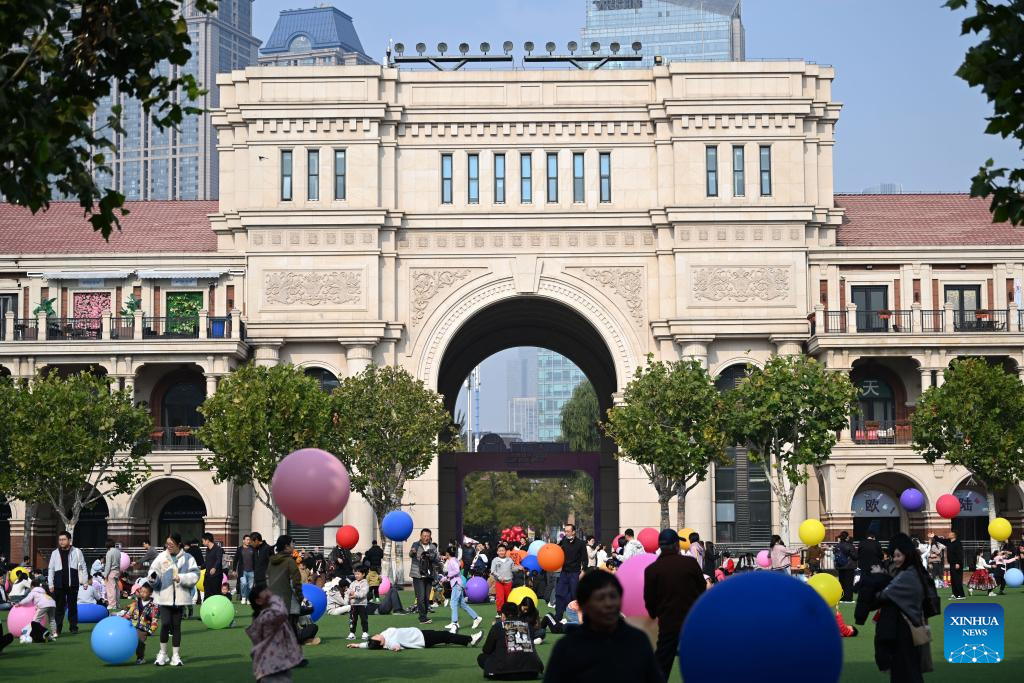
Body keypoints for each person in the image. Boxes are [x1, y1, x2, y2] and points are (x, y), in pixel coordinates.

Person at [543, 570, 663, 682]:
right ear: (584, 604)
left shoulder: (638, 641)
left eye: (613, 596)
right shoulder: (567, 648)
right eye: (600, 598)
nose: (608, 604)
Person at [860, 534, 934, 683]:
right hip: (908, 627)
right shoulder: (913, 571)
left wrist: (877, 578)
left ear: (907, 554)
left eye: (898, 555)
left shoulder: (909, 575)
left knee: (906, 671)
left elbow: (884, 595)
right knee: (906, 671)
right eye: (894, 555)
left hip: (905, 629)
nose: (895, 559)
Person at [643, 529, 705, 679]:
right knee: (699, 661)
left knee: (662, 664)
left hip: (668, 621)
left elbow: (649, 598)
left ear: (660, 546)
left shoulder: (652, 570)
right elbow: (702, 587)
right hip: (692, 620)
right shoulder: (689, 563)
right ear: (677, 545)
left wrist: (654, 613)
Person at [148, 532, 201, 666]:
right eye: (167, 544)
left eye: (171, 544)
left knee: (177, 626)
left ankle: (176, 656)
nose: (168, 546)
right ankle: (163, 654)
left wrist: (181, 578)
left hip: (180, 598)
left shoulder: (188, 558)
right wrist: (152, 578)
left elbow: (196, 574)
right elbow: (153, 571)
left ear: (178, 544)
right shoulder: (161, 556)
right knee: (165, 624)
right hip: (163, 597)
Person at [247, 584, 304, 682]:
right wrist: (275, 598)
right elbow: (282, 613)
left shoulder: (266, 614)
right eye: (266, 595)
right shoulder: (266, 617)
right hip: (270, 666)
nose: (270, 594)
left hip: (278, 662)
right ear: (258, 601)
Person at [478, 602, 545, 680]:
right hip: (531, 672)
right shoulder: (528, 626)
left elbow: (486, 650)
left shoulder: (498, 626)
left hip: (502, 673)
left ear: (503, 615)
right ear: (518, 614)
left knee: (481, 657)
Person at [47, 530, 88, 636]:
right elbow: (51, 569)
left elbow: (83, 567)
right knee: (59, 608)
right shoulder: (54, 553)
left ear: (69, 540)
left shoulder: (77, 551)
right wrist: (50, 584)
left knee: (72, 606)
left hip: (73, 584)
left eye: (64, 539)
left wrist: (85, 581)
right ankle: (58, 629)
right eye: (60, 540)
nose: (61, 542)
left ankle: (73, 627)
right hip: (58, 584)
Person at [267, 535, 304, 634]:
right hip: (287, 600)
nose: (294, 546)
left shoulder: (271, 561)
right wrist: (300, 597)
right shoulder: (289, 561)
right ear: (286, 546)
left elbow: (267, 579)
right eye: (292, 544)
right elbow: (296, 582)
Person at [441, 546, 482, 633]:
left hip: (457, 584)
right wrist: (446, 578)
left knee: (453, 603)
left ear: (447, 553)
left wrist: (447, 576)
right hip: (458, 583)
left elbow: (456, 571)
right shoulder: (454, 559)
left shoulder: (451, 561)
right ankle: (476, 618)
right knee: (462, 604)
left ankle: (454, 623)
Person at [348, 625, 483, 651]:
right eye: (376, 637)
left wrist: (357, 645)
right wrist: (395, 648)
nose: (375, 634)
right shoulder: (388, 642)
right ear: (380, 642)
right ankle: (470, 639)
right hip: (422, 639)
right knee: (445, 636)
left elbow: (369, 644)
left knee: (444, 636)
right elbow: (395, 646)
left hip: (420, 633)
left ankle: (468, 640)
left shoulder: (383, 635)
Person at [119, 582, 160, 664]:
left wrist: (151, 629)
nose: (142, 594)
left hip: (143, 628)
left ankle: (140, 658)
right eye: (141, 591)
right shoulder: (136, 602)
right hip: (132, 624)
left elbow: (155, 619)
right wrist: (124, 617)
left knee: (140, 642)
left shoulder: (154, 606)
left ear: (150, 593)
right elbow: (130, 611)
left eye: (145, 592)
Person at [553, 523, 586, 621]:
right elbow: (555, 550)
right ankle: (558, 617)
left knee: (574, 595)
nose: (566, 533)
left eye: (568, 531)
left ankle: (576, 618)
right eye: (565, 531)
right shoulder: (563, 541)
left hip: (575, 573)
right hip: (564, 573)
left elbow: (585, 559)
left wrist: (583, 571)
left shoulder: (581, 543)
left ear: (573, 532)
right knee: (559, 593)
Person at [409, 528, 440, 624]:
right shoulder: (416, 545)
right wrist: (413, 552)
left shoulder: (433, 547)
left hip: (429, 575)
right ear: (421, 536)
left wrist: (430, 556)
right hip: (418, 575)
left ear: (430, 537)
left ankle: (424, 615)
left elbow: (437, 558)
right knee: (420, 596)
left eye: (428, 536)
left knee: (427, 597)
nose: (426, 538)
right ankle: (422, 617)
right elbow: (411, 554)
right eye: (424, 536)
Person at [938, 531, 965, 599]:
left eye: (950, 534)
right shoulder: (948, 542)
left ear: (954, 536)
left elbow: (960, 554)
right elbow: (941, 540)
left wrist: (958, 563)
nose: (948, 535)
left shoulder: (958, 543)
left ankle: (961, 595)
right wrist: (934, 536)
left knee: (957, 579)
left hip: (957, 564)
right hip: (952, 564)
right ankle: (955, 594)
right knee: (953, 580)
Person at [347, 565, 370, 641]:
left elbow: (363, 593)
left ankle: (365, 632)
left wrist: (355, 595)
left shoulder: (365, 583)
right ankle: (352, 633)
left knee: (364, 619)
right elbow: (349, 590)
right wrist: (350, 593)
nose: (356, 575)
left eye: (358, 574)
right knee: (352, 619)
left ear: (363, 574)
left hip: (362, 604)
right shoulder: (353, 583)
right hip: (353, 605)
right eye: (355, 574)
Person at [491, 544, 515, 612]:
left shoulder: (509, 560)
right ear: (497, 552)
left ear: (505, 551)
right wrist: (499, 577)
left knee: (508, 598)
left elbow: (513, 569)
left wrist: (519, 568)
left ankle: (508, 612)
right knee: (500, 598)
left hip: (508, 582)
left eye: (503, 550)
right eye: (500, 551)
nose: (501, 552)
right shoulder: (495, 560)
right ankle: (499, 611)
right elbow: (493, 571)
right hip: (499, 582)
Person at [232, 534, 255, 604]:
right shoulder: (239, 549)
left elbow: (255, 560)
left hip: (252, 571)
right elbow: (235, 560)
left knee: (250, 586)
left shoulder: (253, 549)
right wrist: (234, 570)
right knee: (244, 584)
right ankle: (244, 597)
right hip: (242, 571)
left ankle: (248, 598)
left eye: (249, 540)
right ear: (243, 541)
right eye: (247, 540)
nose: (249, 541)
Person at [201, 532, 224, 603]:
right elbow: (207, 562)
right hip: (207, 576)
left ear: (207, 540)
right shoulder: (207, 549)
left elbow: (219, 560)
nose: (202, 542)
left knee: (216, 594)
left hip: (216, 576)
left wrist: (214, 568)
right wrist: (199, 567)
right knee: (207, 595)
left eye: (203, 541)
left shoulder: (218, 549)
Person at [103, 538, 122, 611]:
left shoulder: (109, 552)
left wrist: (105, 575)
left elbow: (108, 565)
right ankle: (117, 604)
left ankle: (112, 605)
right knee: (116, 589)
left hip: (111, 572)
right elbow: (120, 563)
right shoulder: (118, 552)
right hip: (117, 571)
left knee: (111, 589)